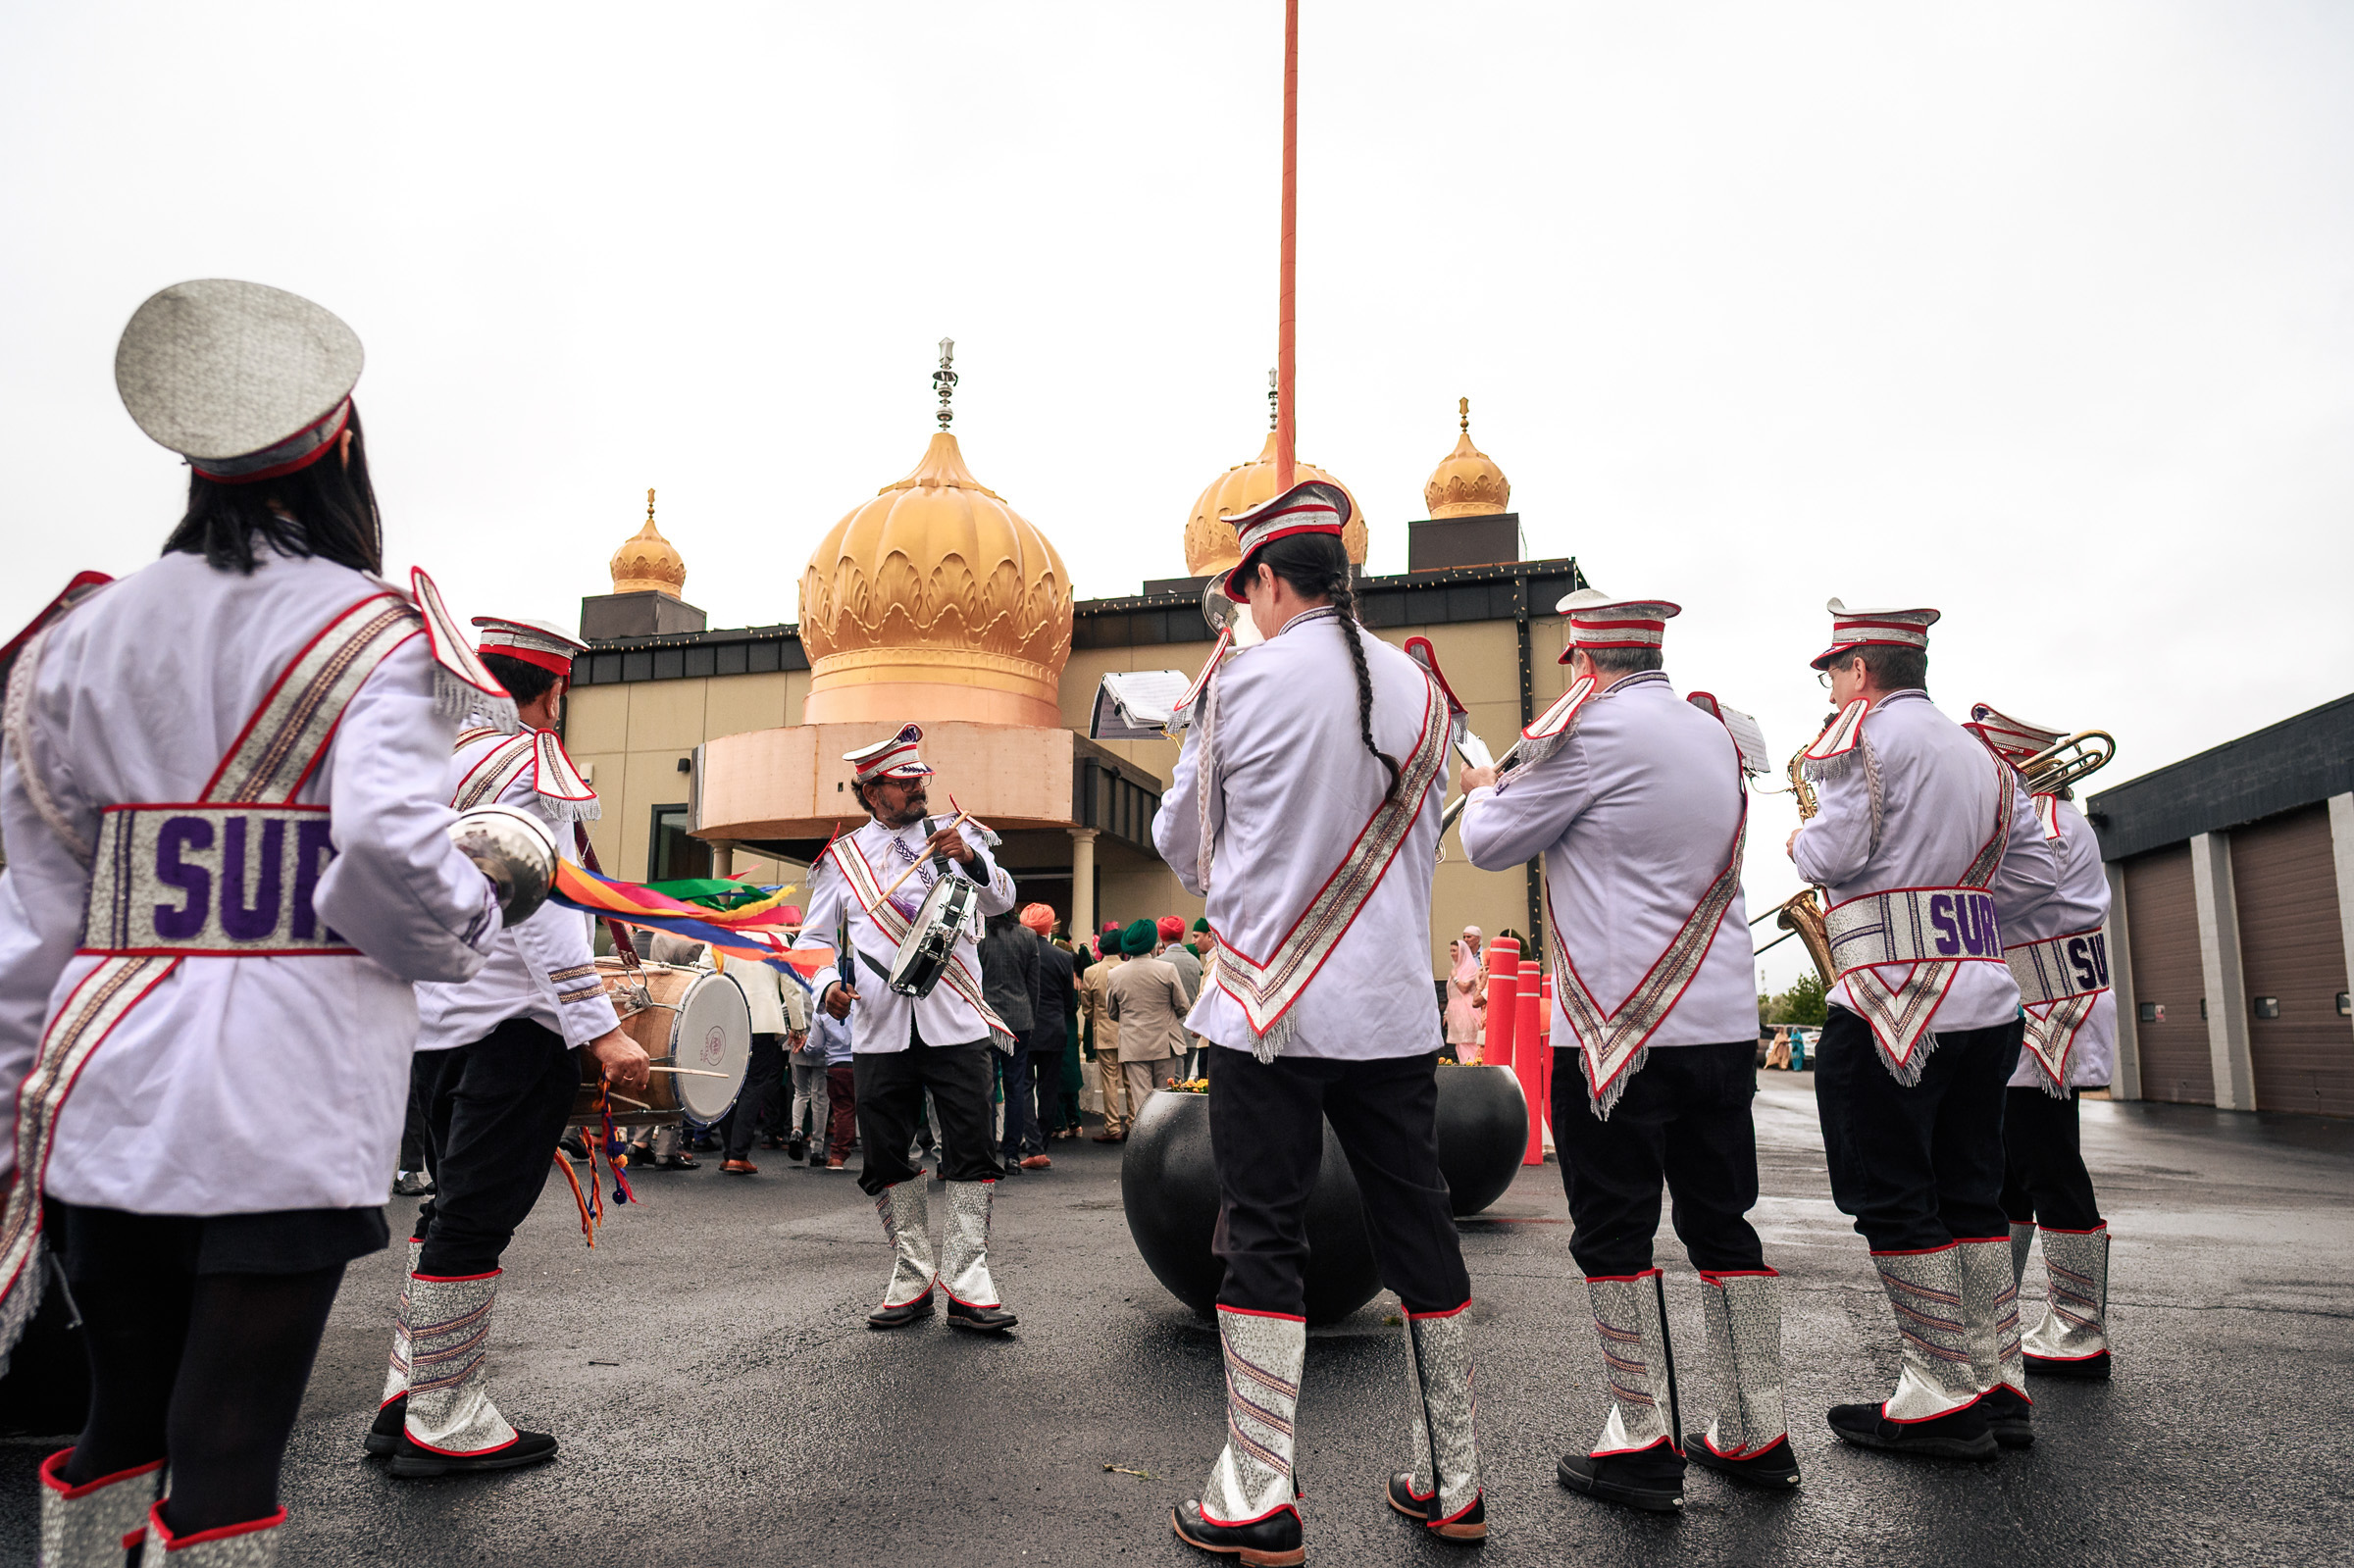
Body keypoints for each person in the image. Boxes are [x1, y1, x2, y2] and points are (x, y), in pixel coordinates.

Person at [5, 279, 525, 1565]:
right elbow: (393, 869)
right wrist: (492, 882)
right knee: (226, 1453)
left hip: (100, 1081)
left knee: (116, 1421)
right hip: (282, 1095)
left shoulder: (75, 638)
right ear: (341, 448)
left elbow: (31, 909)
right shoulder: (374, 636)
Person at [1154, 481, 1484, 1559]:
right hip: (1392, 1012)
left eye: (1237, 590)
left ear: (1257, 580)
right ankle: (1458, 1477)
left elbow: (1184, 849)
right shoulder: (1428, 696)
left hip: (1271, 1010)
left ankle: (1260, 1492)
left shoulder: (1239, 685)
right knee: (1419, 1229)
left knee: (1264, 1234)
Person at [1459, 591, 1794, 1511]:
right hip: (1721, 1023)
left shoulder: (1588, 734)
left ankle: (1640, 1437)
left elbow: (1490, 843)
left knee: (1614, 1229)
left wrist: (1488, 782)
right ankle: (1757, 1428)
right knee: (1724, 1222)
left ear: (1583, 659)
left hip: (1617, 1031)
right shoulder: (1717, 734)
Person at [379, 614, 653, 1479]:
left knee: (447, 1211)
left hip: (435, 1025)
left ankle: (406, 1397)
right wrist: (602, 1028)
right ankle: (445, 1417)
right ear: (553, 689)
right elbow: (544, 910)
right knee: (476, 1218)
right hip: (512, 1026)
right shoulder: (526, 764)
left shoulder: (432, 764)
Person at [1790, 602, 2057, 1459]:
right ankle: (1997, 1384)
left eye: (1832, 670)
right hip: (1987, 1002)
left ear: (1860, 670)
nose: (1830, 687)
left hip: (1891, 1004)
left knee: (1893, 1190)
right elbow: (2030, 873)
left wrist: (1800, 834)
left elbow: (1826, 857)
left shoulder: (1862, 736)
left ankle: (1940, 1394)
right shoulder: (1986, 759)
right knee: (1973, 1190)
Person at [793, 725, 1020, 1332]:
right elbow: (812, 943)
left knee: (972, 1144)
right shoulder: (842, 861)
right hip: (878, 1028)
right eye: (902, 782)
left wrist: (970, 859)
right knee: (887, 1151)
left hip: (956, 1020)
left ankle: (970, 1276)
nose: (918, 789)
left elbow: (1003, 900)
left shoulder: (960, 834)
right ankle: (913, 1270)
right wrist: (823, 987)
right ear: (870, 792)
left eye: (921, 778)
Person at [1965, 705, 2120, 1380]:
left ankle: (2080, 1328)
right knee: (2012, 1176)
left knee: (2048, 1165)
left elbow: (2009, 896)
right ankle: (2001, 1319)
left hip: (2049, 1013)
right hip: (2034, 1008)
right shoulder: (2039, 817)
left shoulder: (2048, 818)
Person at [723, 946, 810, 1175]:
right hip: (762, 1022)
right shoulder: (777, 941)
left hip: (728, 1019)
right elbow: (792, 988)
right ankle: (737, 1155)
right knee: (754, 1083)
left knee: (728, 1084)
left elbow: (705, 973)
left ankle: (728, 1152)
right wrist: (797, 1026)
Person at [979, 907, 1042, 1173]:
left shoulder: (979, 938)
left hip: (988, 1019)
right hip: (1019, 1019)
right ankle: (1013, 1154)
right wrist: (1031, 1016)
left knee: (988, 1087)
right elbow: (1034, 984)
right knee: (1016, 1087)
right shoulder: (1027, 936)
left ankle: (989, 1150)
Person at [1107, 919, 1190, 1110]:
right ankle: (1164, 1139)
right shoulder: (1166, 969)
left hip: (1133, 1042)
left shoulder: (1115, 974)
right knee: (1164, 1100)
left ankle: (1144, 1140)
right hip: (1164, 1041)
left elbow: (1112, 1012)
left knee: (1141, 1102)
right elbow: (1183, 1006)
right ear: (1153, 944)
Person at [1021, 903, 1075, 1164]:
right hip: (1054, 1028)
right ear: (1049, 927)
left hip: (1024, 1027)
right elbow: (1069, 1001)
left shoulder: (1020, 954)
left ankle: (1031, 1143)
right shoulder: (1063, 957)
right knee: (1049, 1089)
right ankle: (1042, 1142)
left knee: (1022, 1087)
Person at [1081, 930, 1131, 1142]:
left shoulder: (1091, 972)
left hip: (1103, 1030)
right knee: (1131, 1080)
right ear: (1121, 948)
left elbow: (1086, 1007)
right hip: (1129, 1031)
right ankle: (1134, 1122)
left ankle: (1111, 1127)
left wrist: (1097, 1019)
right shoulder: (1129, 968)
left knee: (1109, 1081)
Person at [814, 1000, 856, 1170]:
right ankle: (876, 1156)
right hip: (861, 1060)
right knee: (872, 1109)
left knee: (843, 1110)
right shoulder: (859, 1004)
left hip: (836, 1065)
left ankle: (838, 1156)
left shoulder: (822, 1009)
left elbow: (815, 1045)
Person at [1445, 926, 1484, 1064]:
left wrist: (1455, 978)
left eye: (1454, 951)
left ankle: (1474, 1068)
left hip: (1467, 1012)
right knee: (1460, 1045)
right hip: (1456, 1014)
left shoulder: (1471, 966)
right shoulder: (1456, 968)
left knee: (1470, 1044)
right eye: (1450, 951)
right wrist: (1446, 1013)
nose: (1452, 954)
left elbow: (1465, 988)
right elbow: (1452, 994)